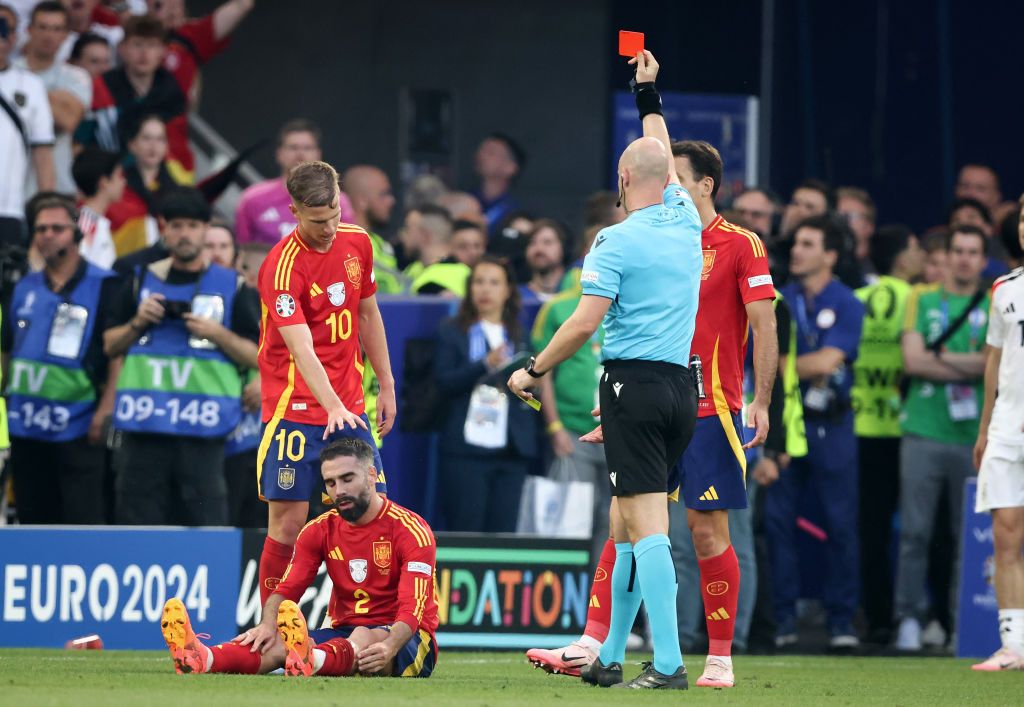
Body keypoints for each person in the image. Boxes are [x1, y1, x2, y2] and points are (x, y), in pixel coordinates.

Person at [509, 49, 702, 690]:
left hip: (633, 386)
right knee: (622, 523)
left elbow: (585, 321)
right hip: (680, 386)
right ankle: (612, 657)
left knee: (646, 527)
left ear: (622, 179)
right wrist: (648, 93)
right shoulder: (684, 218)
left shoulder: (614, 240)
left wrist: (533, 367)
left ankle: (670, 664)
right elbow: (658, 146)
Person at [159, 438, 438, 678]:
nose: (338, 490)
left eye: (347, 479)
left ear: (371, 474)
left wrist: (389, 646)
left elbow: (411, 610)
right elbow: (287, 590)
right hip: (344, 632)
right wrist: (268, 625)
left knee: (364, 636)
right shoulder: (319, 529)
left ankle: (312, 660)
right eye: (330, 482)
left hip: (409, 640)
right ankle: (202, 657)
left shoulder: (411, 530)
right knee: (278, 644)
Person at [255, 160, 396, 607]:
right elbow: (301, 349)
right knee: (289, 523)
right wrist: (333, 406)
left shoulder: (358, 242)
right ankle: (270, 628)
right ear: (294, 211)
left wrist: (387, 386)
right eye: (318, 221)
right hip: (293, 410)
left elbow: (368, 314)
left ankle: (364, 623)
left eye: (336, 213)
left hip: (350, 405)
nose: (331, 227)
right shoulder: (281, 268)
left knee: (367, 516)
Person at [663, 140, 776, 680]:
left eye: (678, 179)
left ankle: (720, 655)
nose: (669, 190)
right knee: (629, 526)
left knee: (707, 533)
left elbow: (764, 325)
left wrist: (762, 400)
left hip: (712, 408)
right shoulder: (659, 240)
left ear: (706, 184)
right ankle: (603, 645)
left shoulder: (740, 244)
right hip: (652, 405)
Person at [102, 187, 260, 526]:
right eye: (175, 225)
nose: (183, 233)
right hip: (144, 431)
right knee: (137, 527)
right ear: (163, 228)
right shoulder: (140, 280)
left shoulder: (233, 285)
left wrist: (217, 333)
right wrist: (138, 322)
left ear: (205, 229)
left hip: (202, 433)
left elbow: (259, 356)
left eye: (191, 225)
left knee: (206, 529)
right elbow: (109, 345)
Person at [766, 215, 865, 649]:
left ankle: (841, 621)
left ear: (830, 255)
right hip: (787, 425)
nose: (797, 251)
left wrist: (783, 366)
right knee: (778, 524)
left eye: (808, 244)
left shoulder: (848, 301)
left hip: (833, 426)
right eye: (796, 243)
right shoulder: (778, 299)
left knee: (841, 525)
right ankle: (783, 620)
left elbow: (828, 362)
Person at [895, 224, 989, 651]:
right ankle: (908, 620)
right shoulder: (922, 297)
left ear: (983, 260)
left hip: (974, 435)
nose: (965, 258)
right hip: (923, 431)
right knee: (915, 532)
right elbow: (912, 360)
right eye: (959, 251)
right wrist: (967, 364)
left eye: (973, 252)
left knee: (965, 537)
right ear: (947, 257)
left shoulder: (995, 302)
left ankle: (959, 624)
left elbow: (994, 366)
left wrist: (939, 358)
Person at [2, 195, 119, 524]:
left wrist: (105, 409)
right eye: (40, 229)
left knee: (82, 519)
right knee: (32, 516)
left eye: (57, 228)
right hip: (26, 425)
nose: (47, 235)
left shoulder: (105, 285)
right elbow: (7, 351)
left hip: (80, 423)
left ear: (77, 234)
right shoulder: (23, 286)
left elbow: (116, 356)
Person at [850, 224, 923, 644]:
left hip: (860, 426)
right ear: (901, 256)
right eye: (914, 248)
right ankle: (919, 620)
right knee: (919, 528)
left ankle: (876, 618)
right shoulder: (917, 299)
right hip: (905, 426)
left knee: (870, 530)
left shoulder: (858, 299)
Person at [434, 256, 536, 532]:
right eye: (479, 282)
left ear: (508, 291)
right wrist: (483, 366)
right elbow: (443, 383)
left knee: (504, 533)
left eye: (494, 283)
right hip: (466, 451)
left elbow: (533, 386)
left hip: (510, 449)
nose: (485, 290)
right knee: (466, 529)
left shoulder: (518, 333)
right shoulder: (452, 330)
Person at [971, 199, 1024, 671]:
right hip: (1008, 429)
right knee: (1005, 536)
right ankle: (1014, 644)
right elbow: (994, 360)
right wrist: (985, 427)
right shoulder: (1004, 289)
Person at [75, 15, 193, 181]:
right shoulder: (100, 88)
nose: (144, 53)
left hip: (155, 185)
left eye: (152, 45)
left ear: (163, 51)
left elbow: (177, 151)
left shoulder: (173, 95)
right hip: (103, 180)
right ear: (122, 49)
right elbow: (80, 142)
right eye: (137, 44)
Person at [15, 1, 90, 194]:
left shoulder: (77, 76)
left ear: (66, 35)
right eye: (43, 27)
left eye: (57, 29)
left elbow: (68, 120)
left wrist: (25, 87)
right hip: (11, 187)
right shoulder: (7, 73)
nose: (49, 35)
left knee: (74, 222)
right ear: (29, 30)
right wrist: (57, 100)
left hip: (60, 188)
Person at [0, 1, 55, 247]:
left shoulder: (31, 85)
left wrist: (47, 214)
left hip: (8, 210)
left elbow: (43, 154)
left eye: (4, 29)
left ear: (14, 37)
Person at [236, 120, 339, 245]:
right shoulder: (252, 199)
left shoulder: (337, 201)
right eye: (293, 147)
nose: (300, 154)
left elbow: (347, 249)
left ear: (318, 154)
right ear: (279, 154)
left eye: (307, 148)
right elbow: (241, 249)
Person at [106, 114, 183, 257]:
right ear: (131, 144)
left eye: (160, 139)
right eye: (146, 138)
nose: (153, 146)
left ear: (167, 146)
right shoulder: (112, 184)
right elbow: (81, 217)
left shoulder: (178, 193)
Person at [341, 164, 403, 294]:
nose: (391, 200)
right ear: (362, 201)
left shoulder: (380, 243)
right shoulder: (343, 245)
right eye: (384, 194)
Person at [71, 145, 122, 268]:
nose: (123, 182)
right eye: (119, 176)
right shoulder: (84, 223)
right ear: (104, 182)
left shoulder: (95, 221)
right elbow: (76, 267)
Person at [405, 205, 470, 297]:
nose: (403, 235)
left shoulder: (454, 276)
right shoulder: (413, 270)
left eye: (408, 228)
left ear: (425, 236)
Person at [473, 133, 525, 236]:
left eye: (491, 153)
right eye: (481, 150)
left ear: (510, 167)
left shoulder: (517, 210)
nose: (481, 156)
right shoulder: (467, 199)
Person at [519, 219, 568, 305]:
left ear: (563, 249)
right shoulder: (517, 297)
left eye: (547, 242)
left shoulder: (576, 296)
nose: (539, 249)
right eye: (532, 243)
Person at [837, 187, 877, 283]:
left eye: (849, 216)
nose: (841, 221)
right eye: (837, 215)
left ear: (869, 226)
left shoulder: (879, 275)